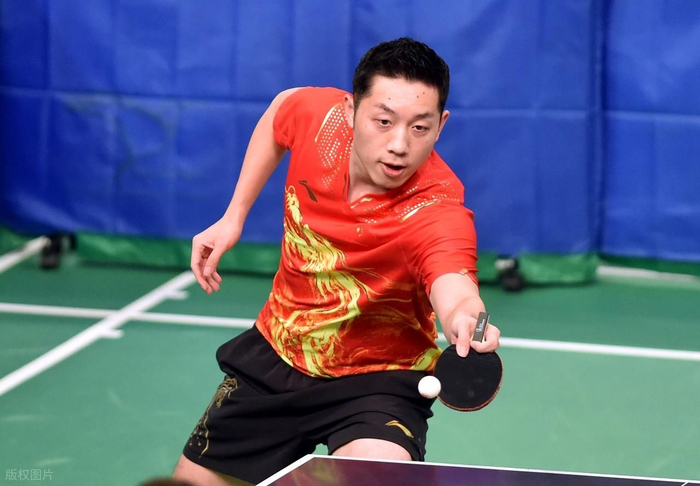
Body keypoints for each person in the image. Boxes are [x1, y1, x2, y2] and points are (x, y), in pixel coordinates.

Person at [174, 37, 501, 486]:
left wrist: (465, 318)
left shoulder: (437, 210)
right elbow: (281, 109)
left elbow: (456, 285)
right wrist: (235, 215)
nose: (399, 144)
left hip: (378, 381)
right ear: (350, 111)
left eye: (419, 128)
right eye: (383, 121)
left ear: (441, 125)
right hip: (279, 351)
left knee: (373, 477)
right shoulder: (320, 120)